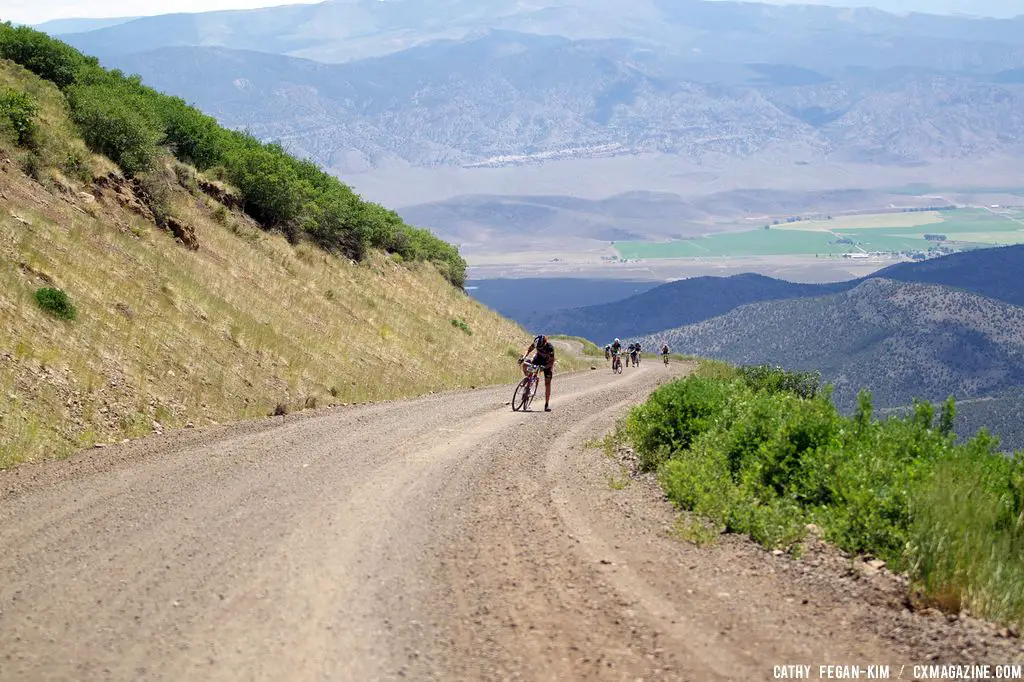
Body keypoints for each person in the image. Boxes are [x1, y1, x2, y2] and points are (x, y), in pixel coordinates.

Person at [520, 334, 555, 412]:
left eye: (541, 347)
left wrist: (545, 367)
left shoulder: (550, 348)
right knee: (526, 364)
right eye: (538, 347)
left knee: (547, 384)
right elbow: (529, 349)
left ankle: (546, 405)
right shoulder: (536, 342)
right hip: (537, 360)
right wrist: (523, 357)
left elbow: (551, 362)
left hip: (547, 364)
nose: (539, 348)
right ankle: (528, 379)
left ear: (545, 343)